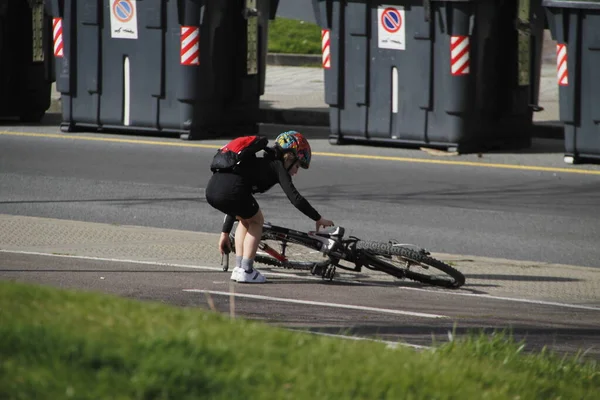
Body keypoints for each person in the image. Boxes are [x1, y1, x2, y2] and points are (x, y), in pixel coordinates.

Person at [205, 131, 334, 283]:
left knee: (245, 220)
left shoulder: (256, 163)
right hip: (232, 191)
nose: (296, 172)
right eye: (297, 166)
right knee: (256, 220)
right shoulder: (277, 167)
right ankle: (246, 270)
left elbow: (232, 206)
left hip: (212, 190)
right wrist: (318, 218)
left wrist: (225, 233)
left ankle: (239, 268)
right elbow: (296, 199)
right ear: (290, 156)